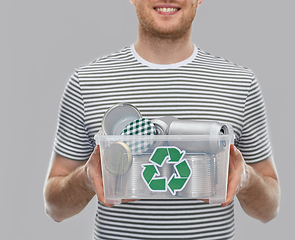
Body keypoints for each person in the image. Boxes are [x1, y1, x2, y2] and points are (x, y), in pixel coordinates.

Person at [43, 0, 280, 239]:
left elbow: (270, 209)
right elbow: (54, 208)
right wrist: (85, 179)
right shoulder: (88, 83)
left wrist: (246, 179)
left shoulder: (238, 83)